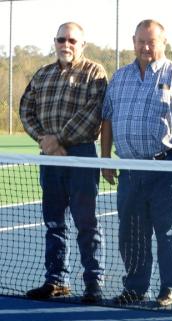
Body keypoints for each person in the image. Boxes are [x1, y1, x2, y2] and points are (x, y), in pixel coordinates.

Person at [100, 19, 172, 306]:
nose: (146, 47)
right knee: (130, 232)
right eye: (141, 41)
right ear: (133, 42)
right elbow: (107, 119)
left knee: (169, 232)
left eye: (152, 42)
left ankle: (169, 287)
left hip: (168, 166)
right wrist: (105, 159)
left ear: (163, 43)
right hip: (131, 169)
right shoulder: (119, 78)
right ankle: (135, 287)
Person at [19, 22, 107, 303]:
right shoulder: (42, 74)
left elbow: (94, 113)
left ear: (82, 44)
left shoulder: (95, 73)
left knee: (86, 222)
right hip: (49, 158)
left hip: (81, 154)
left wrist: (59, 140)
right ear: (54, 41)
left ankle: (93, 283)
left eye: (71, 40)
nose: (65, 44)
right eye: (61, 39)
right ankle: (56, 281)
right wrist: (45, 141)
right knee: (54, 222)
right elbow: (25, 109)